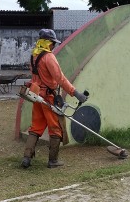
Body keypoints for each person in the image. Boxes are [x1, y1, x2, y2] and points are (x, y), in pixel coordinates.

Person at [21, 29, 88, 169]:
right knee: (55, 128)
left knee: (36, 127)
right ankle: (53, 160)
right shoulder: (49, 57)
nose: (54, 46)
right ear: (47, 42)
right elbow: (60, 78)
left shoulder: (34, 56)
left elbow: (35, 78)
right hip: (49, 98)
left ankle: (27, 158)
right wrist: (75, 93)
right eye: (52, 43)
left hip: (37, 96)